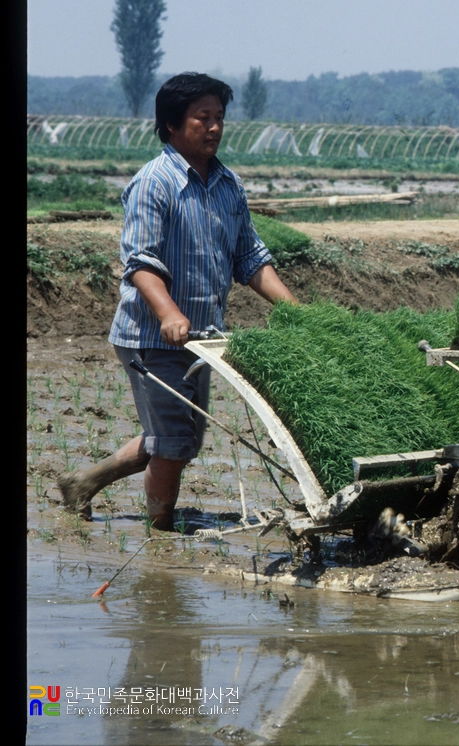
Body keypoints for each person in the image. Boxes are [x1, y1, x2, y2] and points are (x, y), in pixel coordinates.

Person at [58, 72, 299, 530]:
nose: (213, 127)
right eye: (202, 117)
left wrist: (295, 311)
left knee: (181, 437)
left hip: (200, 338)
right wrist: (168, 312)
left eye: (219, 118)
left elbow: (250, 258)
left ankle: (84, 481)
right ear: (171, 123)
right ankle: (160, 533)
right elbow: (140, 262)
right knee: (172, 443)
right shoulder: (154, 183)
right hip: (152, 335)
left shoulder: (229, 185)